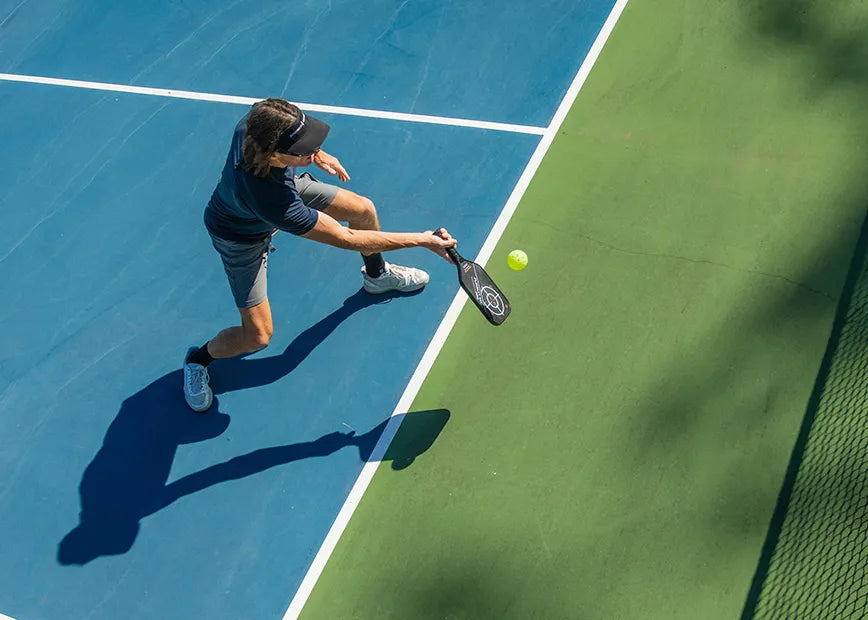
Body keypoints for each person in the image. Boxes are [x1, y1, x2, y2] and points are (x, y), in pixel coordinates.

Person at [183, 98, 456, 412]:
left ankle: (377, 276)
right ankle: (197, 360)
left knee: (363, 209)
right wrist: (422, 240)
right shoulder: (272, 199)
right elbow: (346, 237)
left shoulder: (258, 122)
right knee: (257, 336)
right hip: (240, 236)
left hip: (280, 187)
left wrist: (316, 154)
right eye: (303, 149)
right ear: (274, 154)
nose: (311, 150)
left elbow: (285, 130)